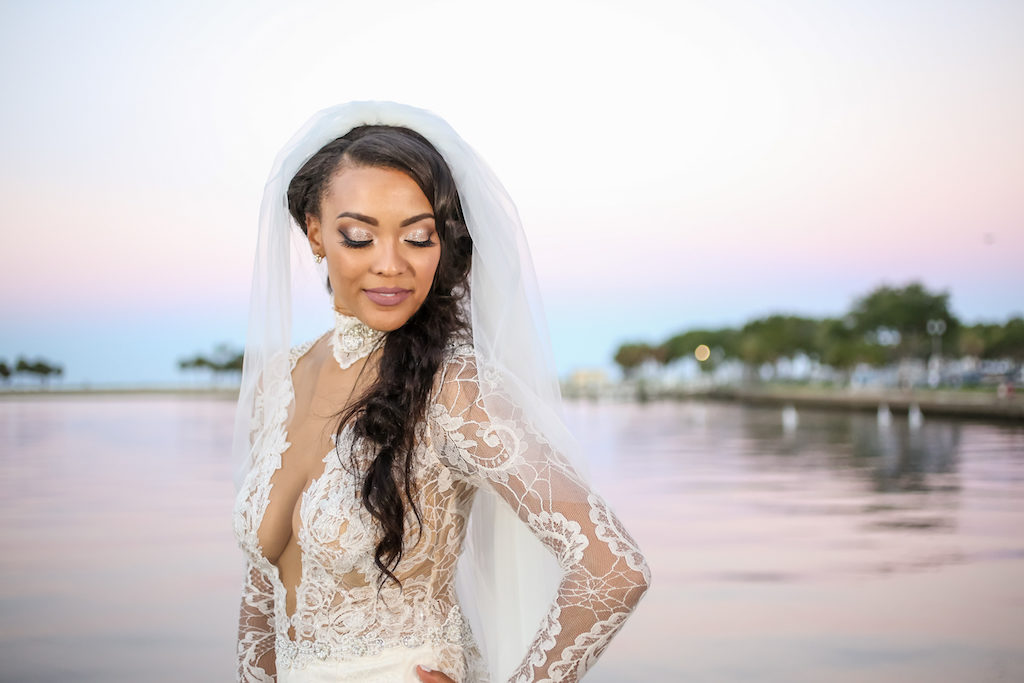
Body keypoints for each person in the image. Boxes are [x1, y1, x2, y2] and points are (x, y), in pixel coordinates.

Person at [231, 101, 651, 683]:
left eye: (418, 237)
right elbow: (262, 594)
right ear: (315, 235)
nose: (391, 265)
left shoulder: (453, 389)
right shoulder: (280, 380)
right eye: (358, 236)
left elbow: (613, 569)